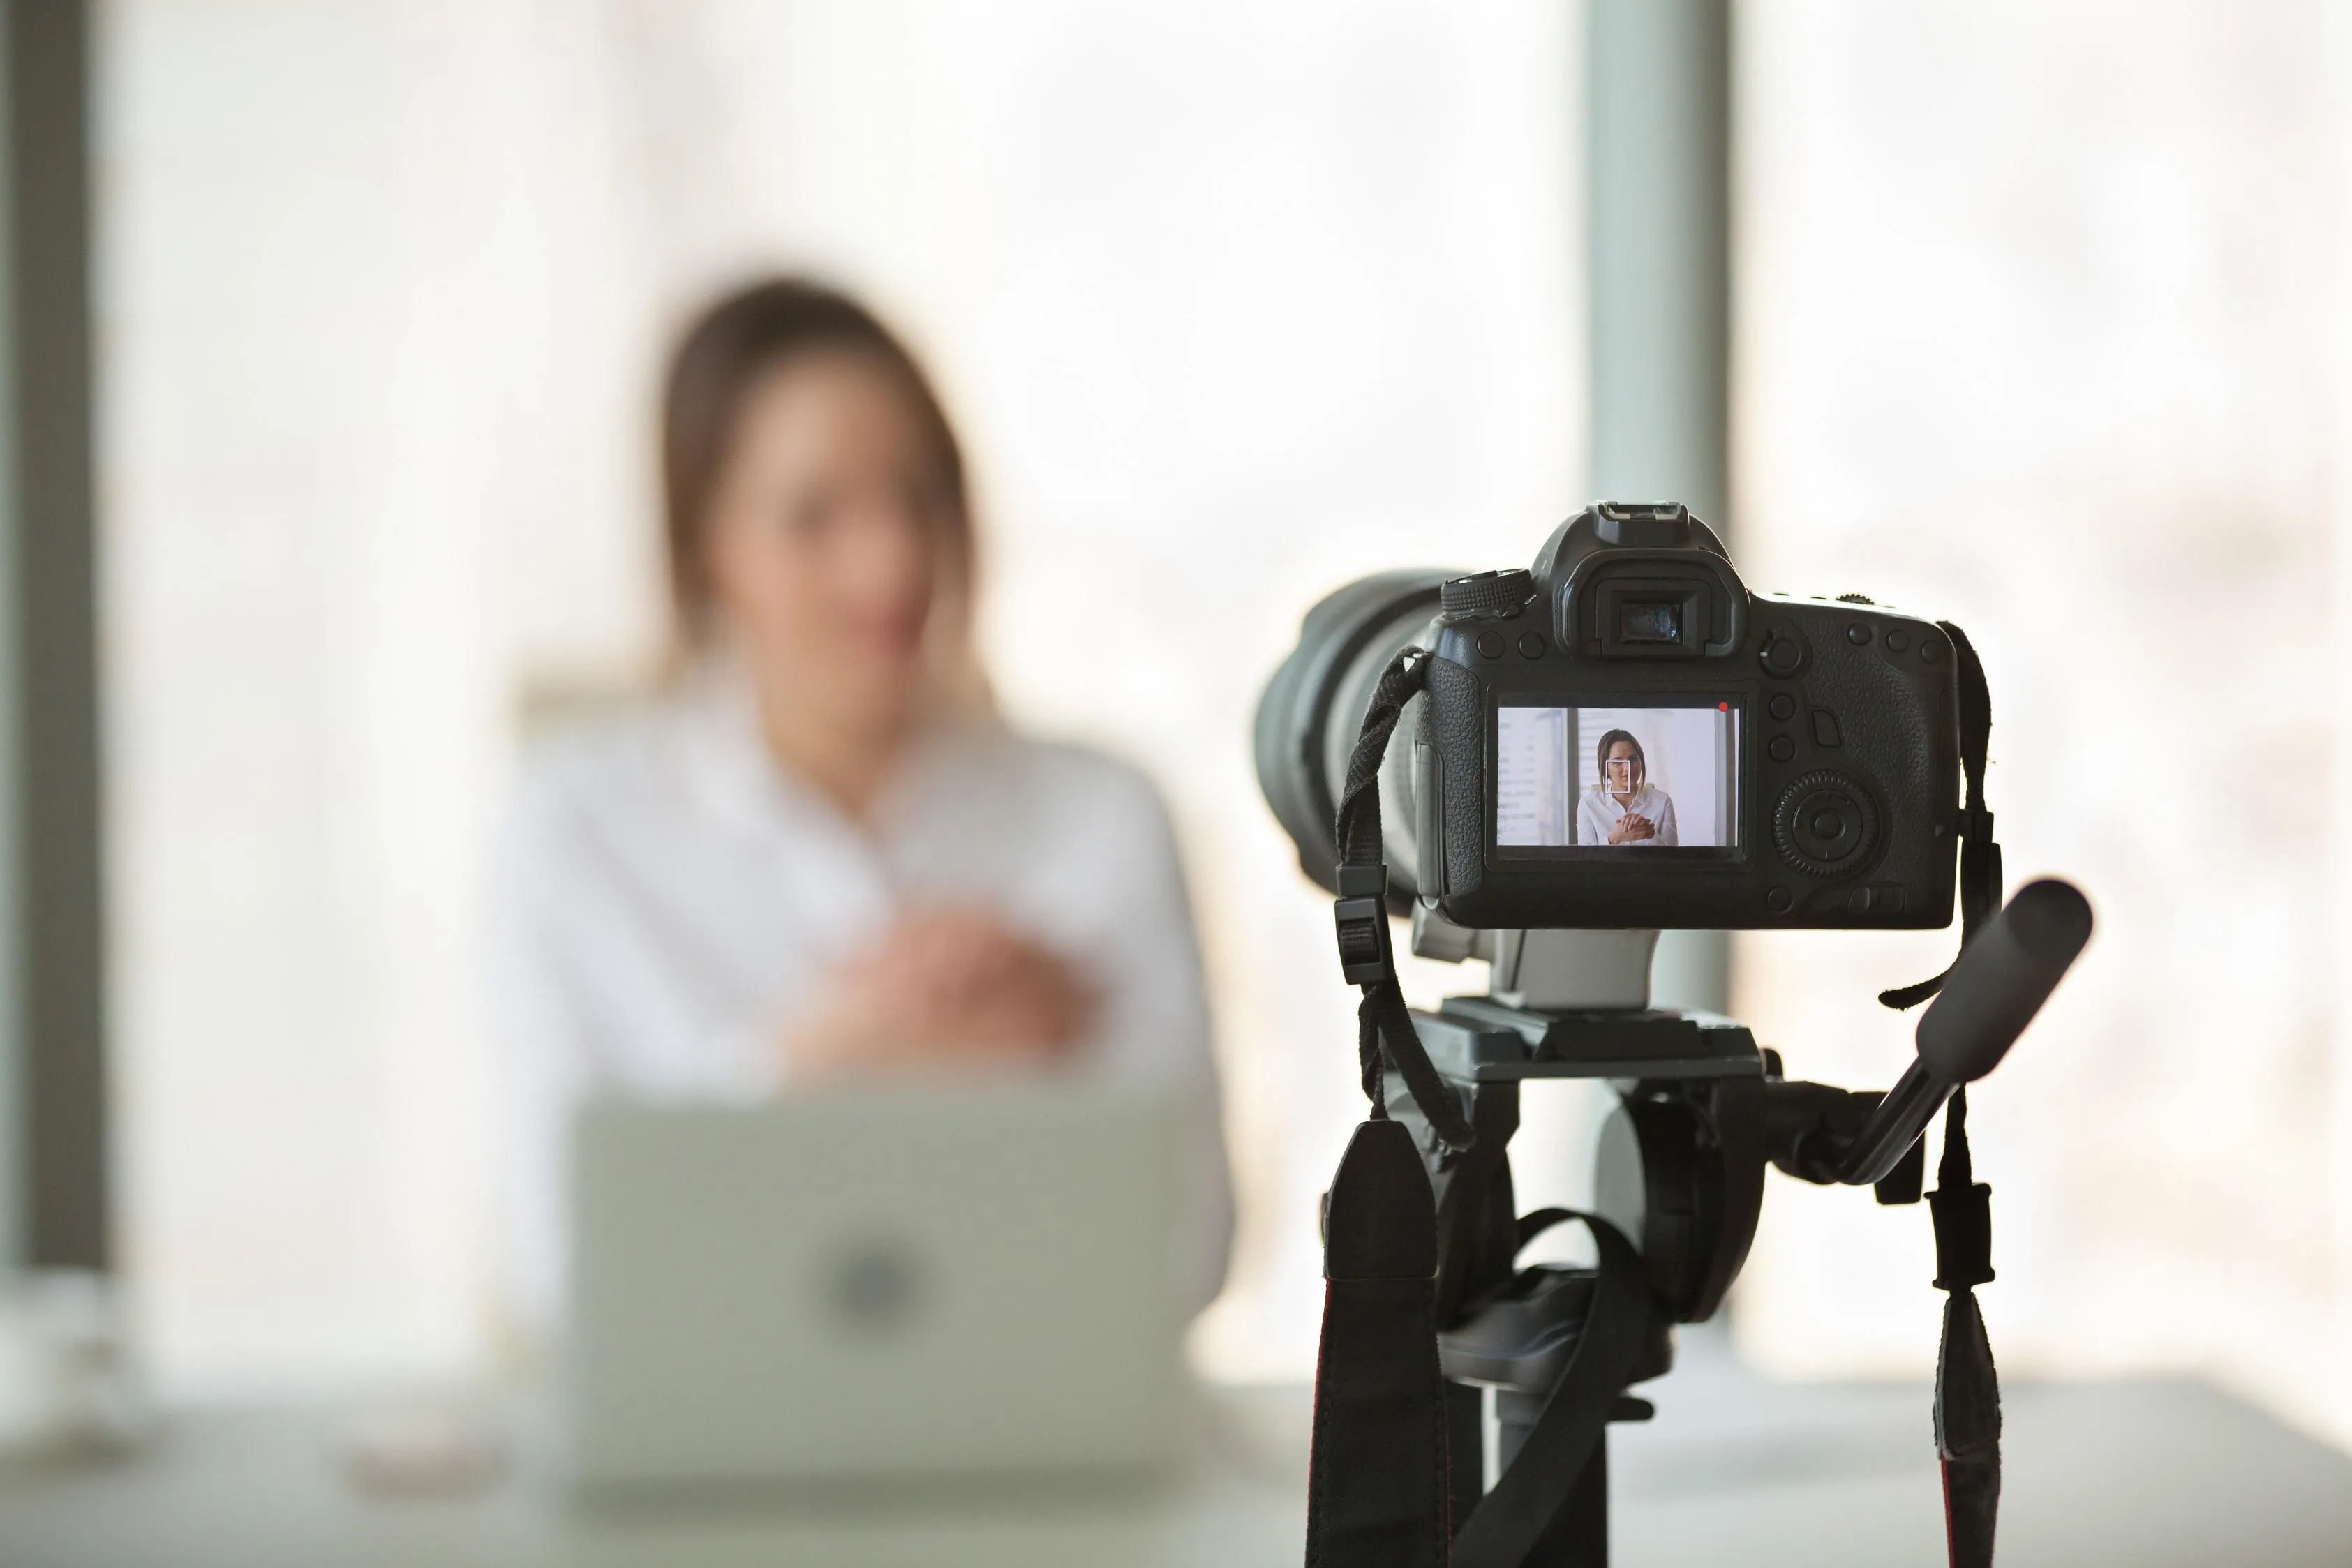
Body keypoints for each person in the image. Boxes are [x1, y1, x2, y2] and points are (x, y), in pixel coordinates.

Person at [489, 278, 1231, 1334]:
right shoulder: (570, 830)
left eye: (919, 497)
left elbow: (1187, 1254)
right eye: (812, 514)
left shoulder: (1103, 816)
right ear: (706, 542)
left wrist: (1045, 1048)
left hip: (1030, 1452)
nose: (891, 561)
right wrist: (824, 1056)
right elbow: (563, 1271)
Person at [1577, 729, 1679, 846]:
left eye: (1633, 760)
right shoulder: (1588, 805)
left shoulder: (1662, 802)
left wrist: (1651, 835)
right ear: (1606, 768)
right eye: (1617, 762)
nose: (1627, 768)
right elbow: (1586, 861)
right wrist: (1614, 838)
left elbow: (1672, 859)